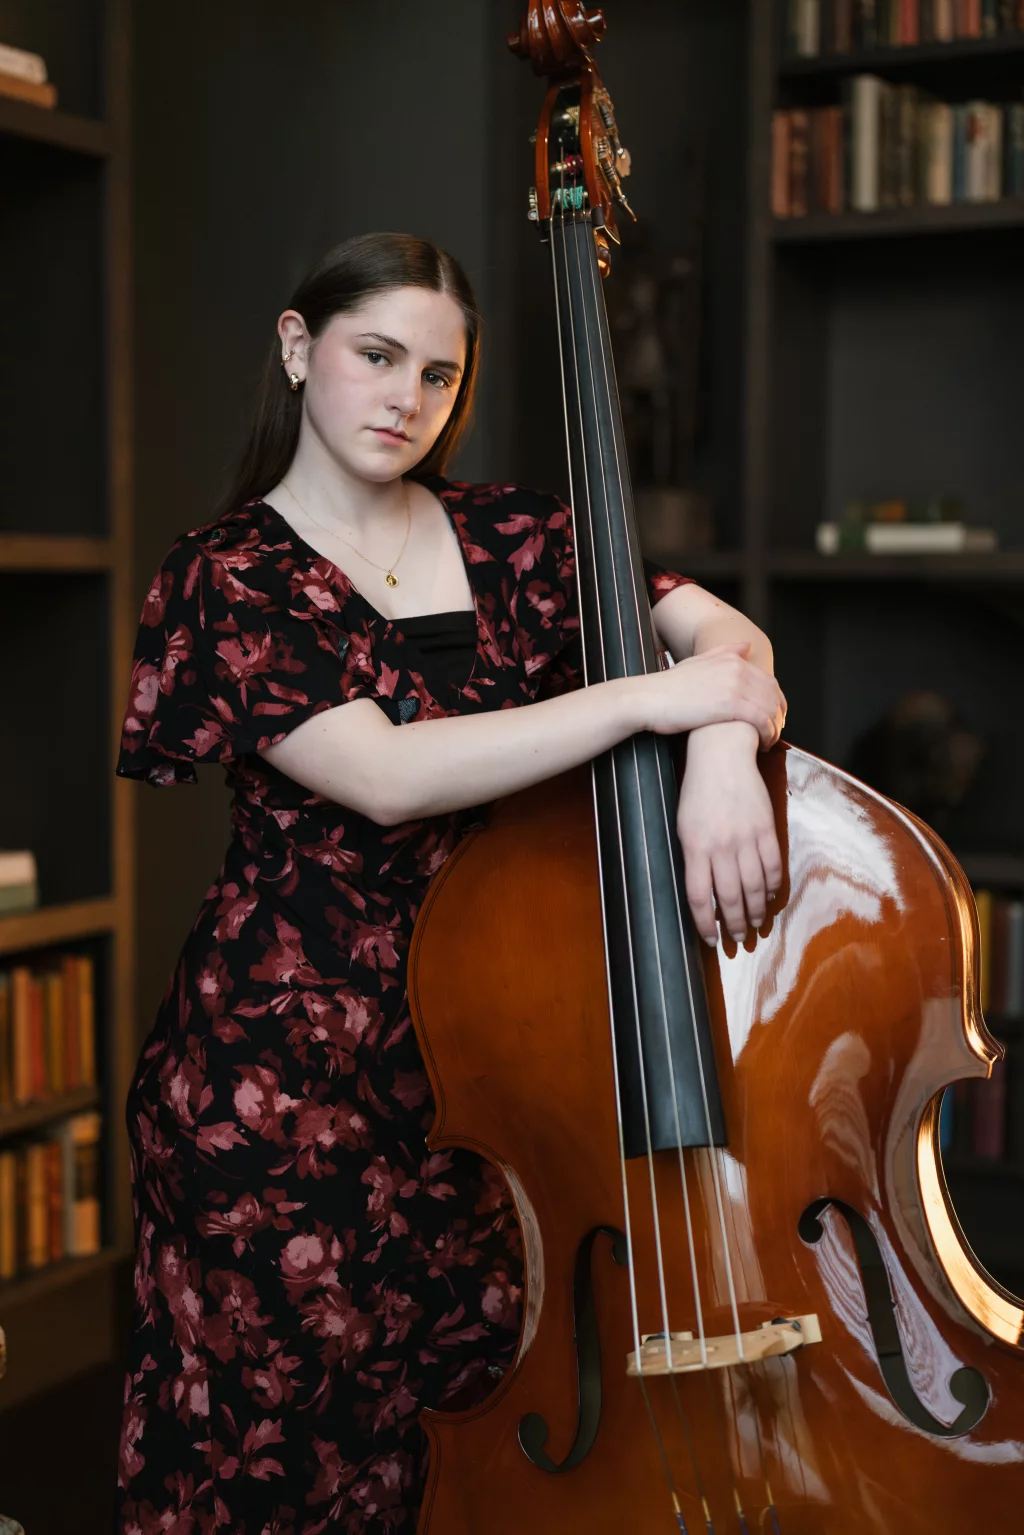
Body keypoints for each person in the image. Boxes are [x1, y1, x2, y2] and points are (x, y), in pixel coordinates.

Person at [114, 231, 786, 1533]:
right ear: (301, 348)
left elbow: (725, 638)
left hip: (491, 1088)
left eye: (439, 373)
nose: (407, 399)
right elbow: (386, 775)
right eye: (376, 356)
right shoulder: (228, 571)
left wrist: (717, 743)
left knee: (467, 1475)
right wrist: (659, 694)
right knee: (282, 1479)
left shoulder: (517, 535)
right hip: (279, 1114)